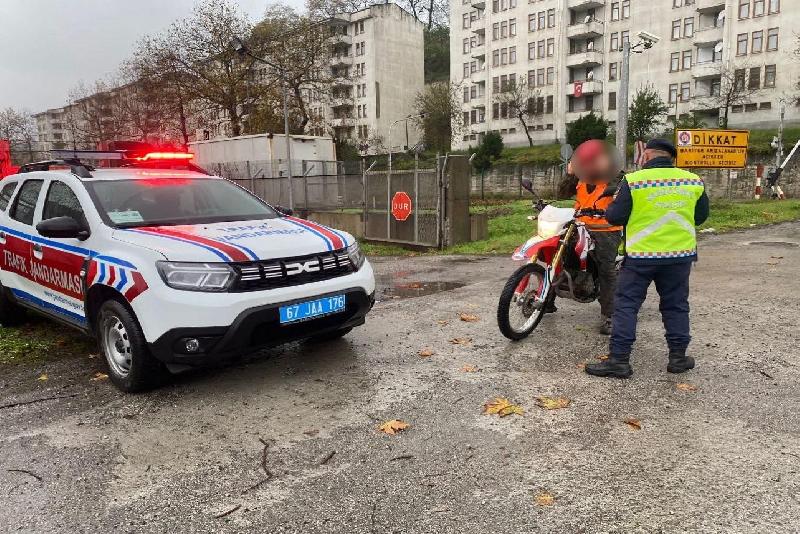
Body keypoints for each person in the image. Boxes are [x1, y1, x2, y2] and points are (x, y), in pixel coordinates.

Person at [585, 138, 709, 378]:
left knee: (627, 306)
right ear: (670, 157)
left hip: (641, 257)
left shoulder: (633, 181)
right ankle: (678, 358)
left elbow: (615, 217)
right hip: (679, 256)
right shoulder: (693, 181)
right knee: (676, 306)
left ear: (649, 155)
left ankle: (619, 361)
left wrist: (612, 207)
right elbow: (700, 216)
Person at [567, 140, 623, 335]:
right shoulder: (581, 180)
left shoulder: (616, 178)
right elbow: (561, 192)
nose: (590, 165)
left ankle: (609, 316)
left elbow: (621, 193)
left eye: (594, 160)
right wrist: (569, 173)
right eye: (586, 161)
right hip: (579, 226)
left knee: (606, 270)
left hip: (606, 231)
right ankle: (546, 300)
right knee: (559, 256)